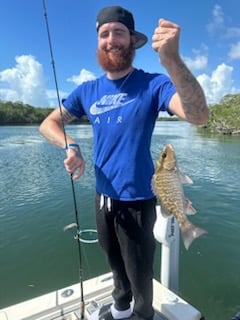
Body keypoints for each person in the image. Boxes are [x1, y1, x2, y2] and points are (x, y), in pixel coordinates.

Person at [39, 5, 209, 320]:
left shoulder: (152, 84)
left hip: (138, 200)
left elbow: (199, 116)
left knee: (139, 272)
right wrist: (71, 146)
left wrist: (171, 60)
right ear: (98, 42)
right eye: (105, 33)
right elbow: (48, 123)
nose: (111, 39)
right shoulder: (87, 90)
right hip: (102, 198)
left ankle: (142, 316)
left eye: (119, 32)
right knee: (115, 264)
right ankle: (119, 309)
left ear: (133, 40)